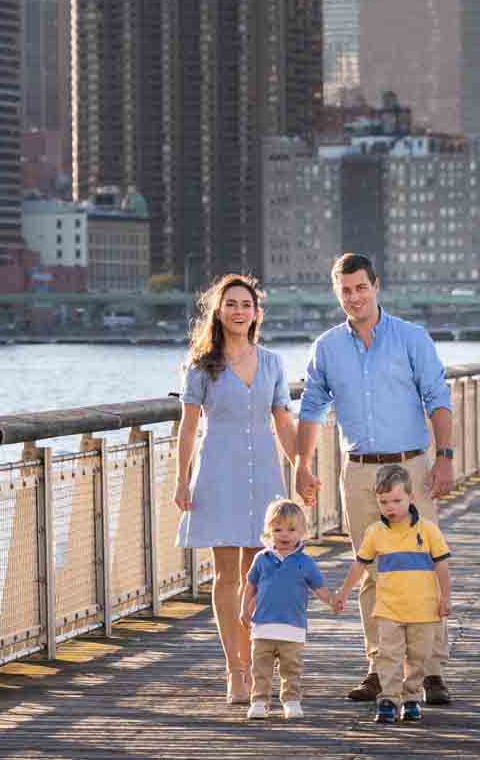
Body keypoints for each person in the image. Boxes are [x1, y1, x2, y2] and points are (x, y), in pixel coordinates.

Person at [293, 252, 457, 706]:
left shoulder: (411, 338)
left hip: (411, 466)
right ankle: (378, 668)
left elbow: (438, 399)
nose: (354, 297)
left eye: (361, 287)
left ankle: (431, 672)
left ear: (376, 286)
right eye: (345, 290)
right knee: (369, 569)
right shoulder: (326, 347)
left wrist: (444, 458)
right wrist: (301, 464)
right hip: (359, 469)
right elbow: (310, 408)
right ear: (337, 293)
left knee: (422, 565)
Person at [173, 273, 297, 704]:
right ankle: (236, 670)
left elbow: (283, 420)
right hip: (217, 475)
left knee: (257, 577)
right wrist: (181, 479)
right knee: (227, 576)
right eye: (231, 304)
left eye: (246, 304)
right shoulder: (200, 366)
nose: (239, 310)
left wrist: (301, 468)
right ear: (219, 312)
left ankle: (258, 664)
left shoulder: (274, 363)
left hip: (263, 474)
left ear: (257, 313)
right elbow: (188, 426)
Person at [330, 464, 452, 724]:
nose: (390, 507)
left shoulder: (428, 530)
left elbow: (442, 565)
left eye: (397, 500)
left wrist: (445, 598)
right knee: (389, 655)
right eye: (384, 502)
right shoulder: (375, 532)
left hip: (423, 609)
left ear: (410, 497)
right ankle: (388, 699)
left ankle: (411, 699)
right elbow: (360, 564)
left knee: (418, 657)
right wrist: (343, 592)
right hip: (388, 609)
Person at [240, 498, 335, 721]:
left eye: (291, 529)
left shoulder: (306, 562)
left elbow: (319, 588)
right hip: (263, 625)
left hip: (293, 627)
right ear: (268, 531)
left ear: (302, 531)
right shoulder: (261, 559)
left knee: (291, 668)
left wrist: (332, 601)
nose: (284, 534)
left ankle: (291, 701)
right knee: (260, 668)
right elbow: (250, 586)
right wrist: (244, 608)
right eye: (278, 529)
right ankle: (259, 701)